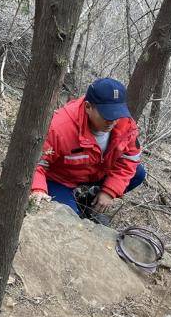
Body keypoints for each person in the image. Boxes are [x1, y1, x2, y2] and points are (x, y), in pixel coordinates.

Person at [30, 78, 145, 223]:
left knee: (139, 173)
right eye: (107, 115)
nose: (113, 121)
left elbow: (129, 160)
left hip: (95, 173)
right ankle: (74, 206)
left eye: (117, 114)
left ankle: (87, 201)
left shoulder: (125, 123)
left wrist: (109, 191)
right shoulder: (59, 127)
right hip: (60, 180)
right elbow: (36, 163)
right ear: (88, 107)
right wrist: (38, 188)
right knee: (68, 220)